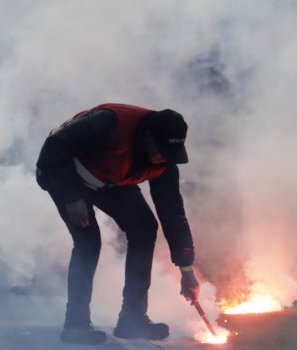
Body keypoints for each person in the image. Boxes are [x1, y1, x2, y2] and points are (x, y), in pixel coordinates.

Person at [35, 103, 199, 345]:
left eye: (170, 153)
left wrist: (186, 268)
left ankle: (133, 319)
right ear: (146, 137)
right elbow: (55, 145)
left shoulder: (164, 164)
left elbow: (173, 213)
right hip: (63, 175)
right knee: (88, 241)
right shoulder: (109, 122)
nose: (164, 158)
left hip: (110, 181)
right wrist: (71, 196)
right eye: (161, 150)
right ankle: (76, 325)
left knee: (144, 228)